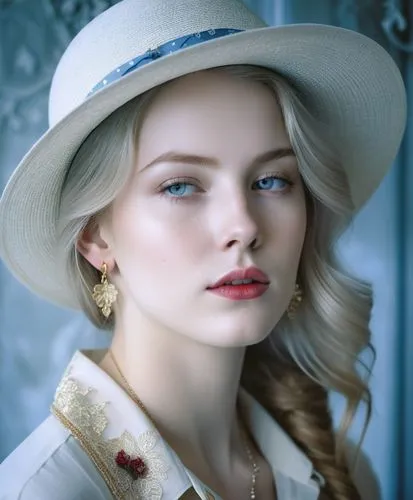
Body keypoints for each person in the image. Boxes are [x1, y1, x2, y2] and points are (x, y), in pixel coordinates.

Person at [0, 0, 406, 498]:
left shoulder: (342, 474)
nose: (243, 226)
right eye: (180, 186)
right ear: (95, 237)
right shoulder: (45, 492)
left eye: (272, 179)